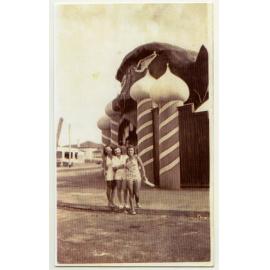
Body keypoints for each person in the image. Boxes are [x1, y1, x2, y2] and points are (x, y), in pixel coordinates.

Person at [125, 145, 147, 215]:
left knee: (136, 193)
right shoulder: (127, 159)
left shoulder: (137, 157)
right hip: (129, 177)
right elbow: (127, 168)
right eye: (129, 150)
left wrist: (144, 175)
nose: (130, 151)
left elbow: (142, 166)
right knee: (131, 193)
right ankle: (132, 209)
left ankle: (137, 202)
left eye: (131, 150)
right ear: (127, 152)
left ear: (134, 151)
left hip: (137, 176)